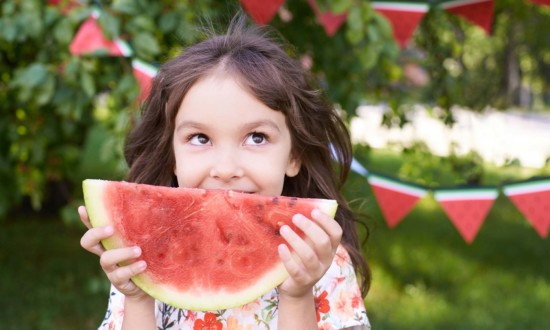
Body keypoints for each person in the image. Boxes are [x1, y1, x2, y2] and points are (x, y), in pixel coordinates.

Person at [79, 14, 371, 330]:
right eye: (200, 138)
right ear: (172, 156)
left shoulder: (322, 262)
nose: (226, 169)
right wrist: (138, 297)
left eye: (257, 137)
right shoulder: (142, 256)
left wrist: (298, 296)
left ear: (294, 156)